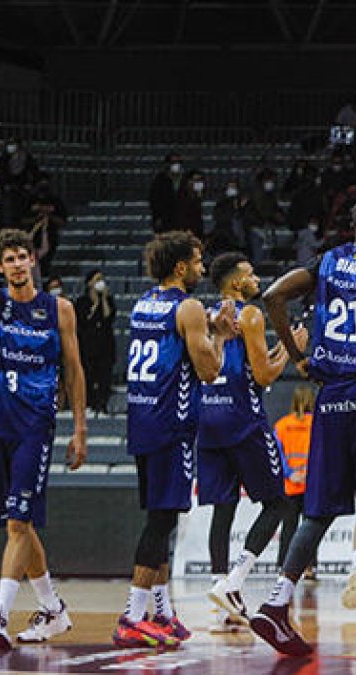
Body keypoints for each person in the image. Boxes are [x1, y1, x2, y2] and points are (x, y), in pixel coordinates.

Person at [254, 197, 356, 660]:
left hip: (330, 398)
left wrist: (297, 355)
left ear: (351, 229)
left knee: (318, 512)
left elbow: (272, 296)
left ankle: (277, 601)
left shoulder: (327, 262)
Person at [0, 177, 88, 650]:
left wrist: (80, 431)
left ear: (34, 259)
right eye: (8, 259)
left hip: (35, 427)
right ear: (1, 267)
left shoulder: (59, 309)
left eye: (22, 257)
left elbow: (75, 370)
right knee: (19, 527)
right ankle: (53, 609)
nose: (16, 264)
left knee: (17, 524)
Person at [115, 231, 236, 649]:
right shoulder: (188, 307)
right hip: (172, 424)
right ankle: (132, 616)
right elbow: (208, 371)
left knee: (160, 517)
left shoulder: (143, 303)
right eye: (199, 261)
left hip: (142, 420)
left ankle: (162, 612)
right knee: (162, 520)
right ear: (181, 267)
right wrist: (221, 334)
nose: (204, 268)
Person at [200, 253, 307, 631]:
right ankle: (234, 581)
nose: (257, 277)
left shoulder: (206, 315)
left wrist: (278, 349)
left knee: (223, 507)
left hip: (207, 417)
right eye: (249, 274)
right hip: (243, 418)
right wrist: (291, 348)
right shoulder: (250, 314)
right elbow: (263, 376)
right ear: (234, 282)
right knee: (278, 503)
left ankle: (222, 595)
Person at [273, 385, 315, 569]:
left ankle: (284, 566)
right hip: (311, 485)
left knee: (288, 529)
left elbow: (277, 455)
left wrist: (290, 474)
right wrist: (308, 473)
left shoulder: (281, 425)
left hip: (289, 485)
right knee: (311, 528)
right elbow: (322, 452)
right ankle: (309, 567)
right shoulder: (317, 424)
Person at [74, 271, 116, 415]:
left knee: (104, 377)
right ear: (89, 283)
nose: (100, 282)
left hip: (105, 345)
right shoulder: (81, 302)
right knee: (89, 377)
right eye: (97, 279)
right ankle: (89, 405)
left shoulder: (108, 299)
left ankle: (103, 405)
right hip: (88, 346)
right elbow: (85, 320)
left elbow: (108, 317)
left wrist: (103, 299)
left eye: (101, 279)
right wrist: (95, 303)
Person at [148, 154, 183, 233]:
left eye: (179, 162)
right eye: (173, 162)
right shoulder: (160, 180)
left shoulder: (185, 179)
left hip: (181, 220)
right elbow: (154, 200)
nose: (176, 165)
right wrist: (158, 217)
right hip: (165, 220)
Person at [172, 170, 207, 238]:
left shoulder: (197, 196)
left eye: (200, 180)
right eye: (195, 180)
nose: (198, 183)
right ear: (188, 181)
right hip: (184, 233)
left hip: (195, 232)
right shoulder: (182, 197)